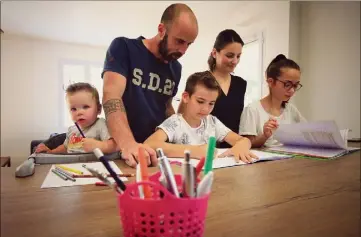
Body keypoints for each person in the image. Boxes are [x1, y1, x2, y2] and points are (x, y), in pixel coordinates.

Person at [101, 3, 199, 168]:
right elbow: (111, 96)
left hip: (156, 153)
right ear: (161, 30)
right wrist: (128, 143)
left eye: (189, 44)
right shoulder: (124, 47)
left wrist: (182, 136)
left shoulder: (176, 68)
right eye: (179, 41)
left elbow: (167, 106)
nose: (183, 50)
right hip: (123, 150)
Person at [144, 71, 257, 164]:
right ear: (186, 97)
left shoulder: (212, 122)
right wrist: (194, 151)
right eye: (200, 101)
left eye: (211, 103)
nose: (205, 109)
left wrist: (240, 146)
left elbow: (243, 140)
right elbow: (150, 144)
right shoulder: (175, 122)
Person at [178, 29, 247, 149]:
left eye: (238, 56)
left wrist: (240, 144)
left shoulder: (241, 84)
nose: (235, 61)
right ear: (215, 53)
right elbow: (182, 117)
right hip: (202, 148)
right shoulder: (200, 82)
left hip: (232, 148)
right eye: (229, 55)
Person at [239, 54, 306, 148]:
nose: (292, 90)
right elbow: (247, 145)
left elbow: (307, 134)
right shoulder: (252, 110)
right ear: (270, 82)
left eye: (295, 85)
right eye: (287, 84)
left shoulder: (291, 110)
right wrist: (264, 136)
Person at [35, 82, 117, 154]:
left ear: (98, 109)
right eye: (73, 109)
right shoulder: (72, 130)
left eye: (85, 107)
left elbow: (115, 145)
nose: (79, 112)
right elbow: (66, 148)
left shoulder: (101, 125)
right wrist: (51, 152)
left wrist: (99, 145)